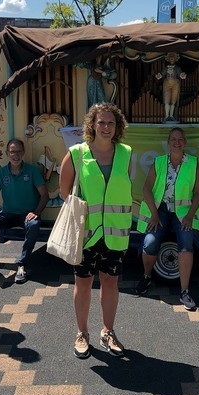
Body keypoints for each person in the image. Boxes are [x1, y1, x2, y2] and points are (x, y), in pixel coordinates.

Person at [58, 102, 133, 359]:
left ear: (117, 126)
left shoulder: (126, 153)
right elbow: (65, 192)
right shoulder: (77, 153)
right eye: (101, 122)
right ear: (92, 125)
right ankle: (82, 333)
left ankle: (108, 331)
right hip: (87, 234)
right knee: (84, 283)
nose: (106, 127)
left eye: (111, 122)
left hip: (116, 233)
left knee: (111, 282)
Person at [135, 127, 199, 311]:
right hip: (161, 209)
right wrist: (154, 214)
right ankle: (146, 276)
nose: (177, 142)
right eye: (173, 139)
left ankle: (184, 291)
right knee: (149, 243)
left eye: (180, 139)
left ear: (185, 142)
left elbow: (198, 193)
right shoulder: (158, 162)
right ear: (168, 141)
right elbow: (146, 189)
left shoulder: (193, 164)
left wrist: (189, 216)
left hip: (182, 212)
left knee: (186, 244)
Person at [0, 138, 48, 284]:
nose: (15, 155)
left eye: (18, 151)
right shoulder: (0, 173)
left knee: (34, 224)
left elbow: (44, 195)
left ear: (23, 152)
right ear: (7, 153)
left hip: (27, 214)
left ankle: (22, 264)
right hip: (8, 214)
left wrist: (36, 212)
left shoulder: (32, 171)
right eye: (12, 152)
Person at [155, 52, 186, 122]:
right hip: (167, 83)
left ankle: (171, 115)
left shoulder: (177, 68)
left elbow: (180, 74)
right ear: (168, 59)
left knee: (173, 100)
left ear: (175, 59)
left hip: (175, 83)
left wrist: (183, 75)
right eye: (170, 57)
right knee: (167, 100)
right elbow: (162, 74)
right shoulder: (166, 68)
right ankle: (166, 116)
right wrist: (159, 76)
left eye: (173, 57)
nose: (172, 59)